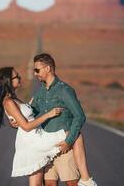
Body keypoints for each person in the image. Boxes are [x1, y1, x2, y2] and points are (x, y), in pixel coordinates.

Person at [0, 66, 68, 186]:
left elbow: (21, 120)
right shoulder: (9, 102)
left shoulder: (13, 99)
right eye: (16, 77)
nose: (20, 78)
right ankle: (86, 178)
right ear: (8, 81)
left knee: (36, 182)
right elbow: (26, 126)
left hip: (35, 137)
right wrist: (48, 115)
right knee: (70, 134)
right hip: (31, 141)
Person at [29, 53, 97, 186]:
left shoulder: (64, 90)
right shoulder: (40, 91)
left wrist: (69, 141)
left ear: (48, 68)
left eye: (37, 70)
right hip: (47, 149)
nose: (35, 73)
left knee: (71, 183)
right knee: (49, 184)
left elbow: (79, 116)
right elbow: (32, 113)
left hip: (63, 145)